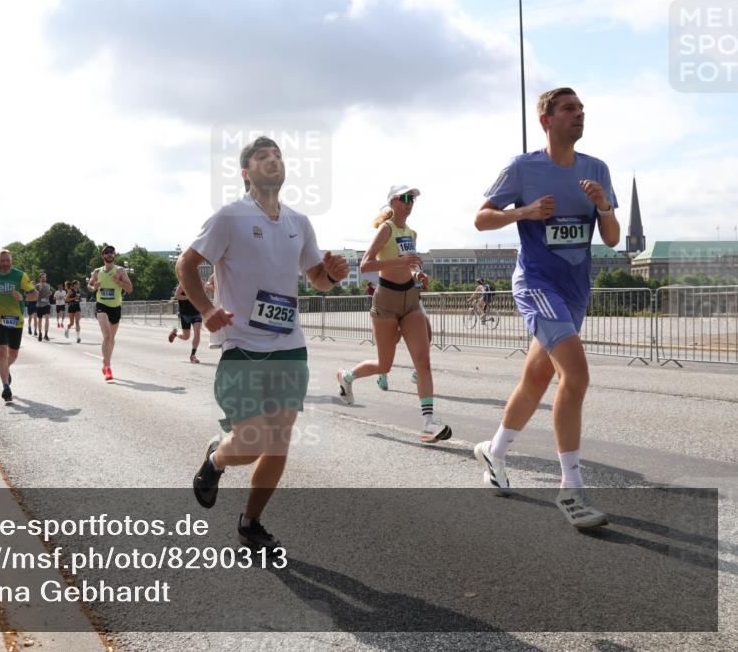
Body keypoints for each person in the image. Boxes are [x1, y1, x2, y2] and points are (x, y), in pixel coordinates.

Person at [177, 136, 349, 553]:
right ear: (245, 172)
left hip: (290, 347)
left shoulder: (299, 222)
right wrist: (205, 309)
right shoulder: (229, 217)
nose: (273, 160)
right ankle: (216, 459)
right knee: (251, 443)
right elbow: (187, 264)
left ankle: (250, 523)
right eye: (262, 156)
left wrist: (335, 275)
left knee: (279, 442)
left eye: (278, 155)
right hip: (242, 346)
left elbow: (317, 280)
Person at [472, 87, 620, 529]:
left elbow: (611, 238)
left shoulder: (597, 169)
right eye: (569, 109)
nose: (579, 115)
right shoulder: (523, 168)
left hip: (575, 289)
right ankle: (570, 488)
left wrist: (604, 206)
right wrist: (526, 212)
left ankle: (494, 451)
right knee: (575, 374)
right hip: (536, 284)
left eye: (581, 109)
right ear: (546, 120)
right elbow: (481, 218)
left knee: (538, 376)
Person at [335, 185, 452, 443]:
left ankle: (428, 423)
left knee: (423, 360)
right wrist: (402, 262)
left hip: (410, 298)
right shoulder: (385, 229)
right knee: (384, 365)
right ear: (393, 202)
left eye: (413, 200)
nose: (410, 203)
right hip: (386, 300)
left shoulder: (411, 232)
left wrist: (416, 273)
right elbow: (366, 263)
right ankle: (347, 377)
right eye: (405, 198)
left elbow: (408, 265)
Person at [0, 249, 38, 401]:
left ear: (11, 261)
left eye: (7, 260)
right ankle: (6, 387)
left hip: (16, 320)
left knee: (13, 354)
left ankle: (5, 369)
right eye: (2, 260)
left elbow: (35, 294)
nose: (5, 263)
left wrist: (23, 297)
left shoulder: (20, 276)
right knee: (1, 351)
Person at [88, 245, 133, 380]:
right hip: (101, 305)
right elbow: (89, 286)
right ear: (102, 256)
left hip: (115, 307)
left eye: (111, 252)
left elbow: (130, 288)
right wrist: (93, 287)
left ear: (114, 255)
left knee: (111, 339)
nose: (109, 254)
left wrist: (118, 281)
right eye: (106, 252)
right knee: (107, 336)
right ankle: (108, 367)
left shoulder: (120, 270)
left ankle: (105, 361)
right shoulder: (97, 271)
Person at [168, 283, 202, 363]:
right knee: (186, 337)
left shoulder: (199, 282)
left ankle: (193, 355)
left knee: (197, 333)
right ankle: (175, 334)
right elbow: (177, 296)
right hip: (185, 315)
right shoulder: (183, 283)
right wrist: (189, 297)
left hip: (196, 313)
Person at [35, 273, 53, 342]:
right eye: (42, 277)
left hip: (47, 304)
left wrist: (50, 293)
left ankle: (46, 334)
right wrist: (39, 290)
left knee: (47, 318)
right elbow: (36, 295)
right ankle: (40, 333)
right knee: (40, 320)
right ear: (40, 278)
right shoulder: (37, 286)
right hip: (39, 305)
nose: (44, 279)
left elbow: (48, 293)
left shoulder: (48, 285)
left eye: (45, 277)